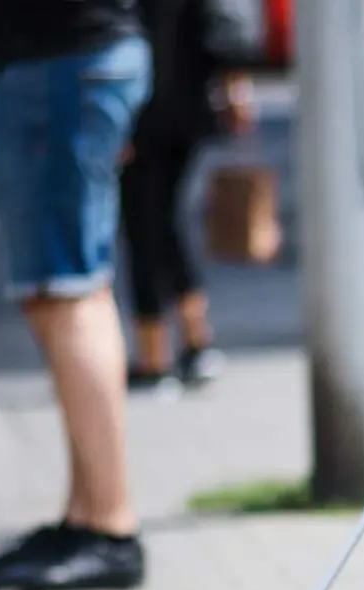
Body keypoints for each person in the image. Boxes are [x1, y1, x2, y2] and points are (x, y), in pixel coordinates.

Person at [0, 0, 153, 590]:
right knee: (55, 292)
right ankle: (85, 515)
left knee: (68, 289)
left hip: (63, 63)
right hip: (58, 62)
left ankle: (109, 528)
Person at [121, 0, 257, 396]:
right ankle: (196, 341)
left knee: (143, 224)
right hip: (186, 101)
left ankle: (155, 357)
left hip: (138, 107)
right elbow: (219, 19)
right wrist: (235, 85)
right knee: (162, 221)